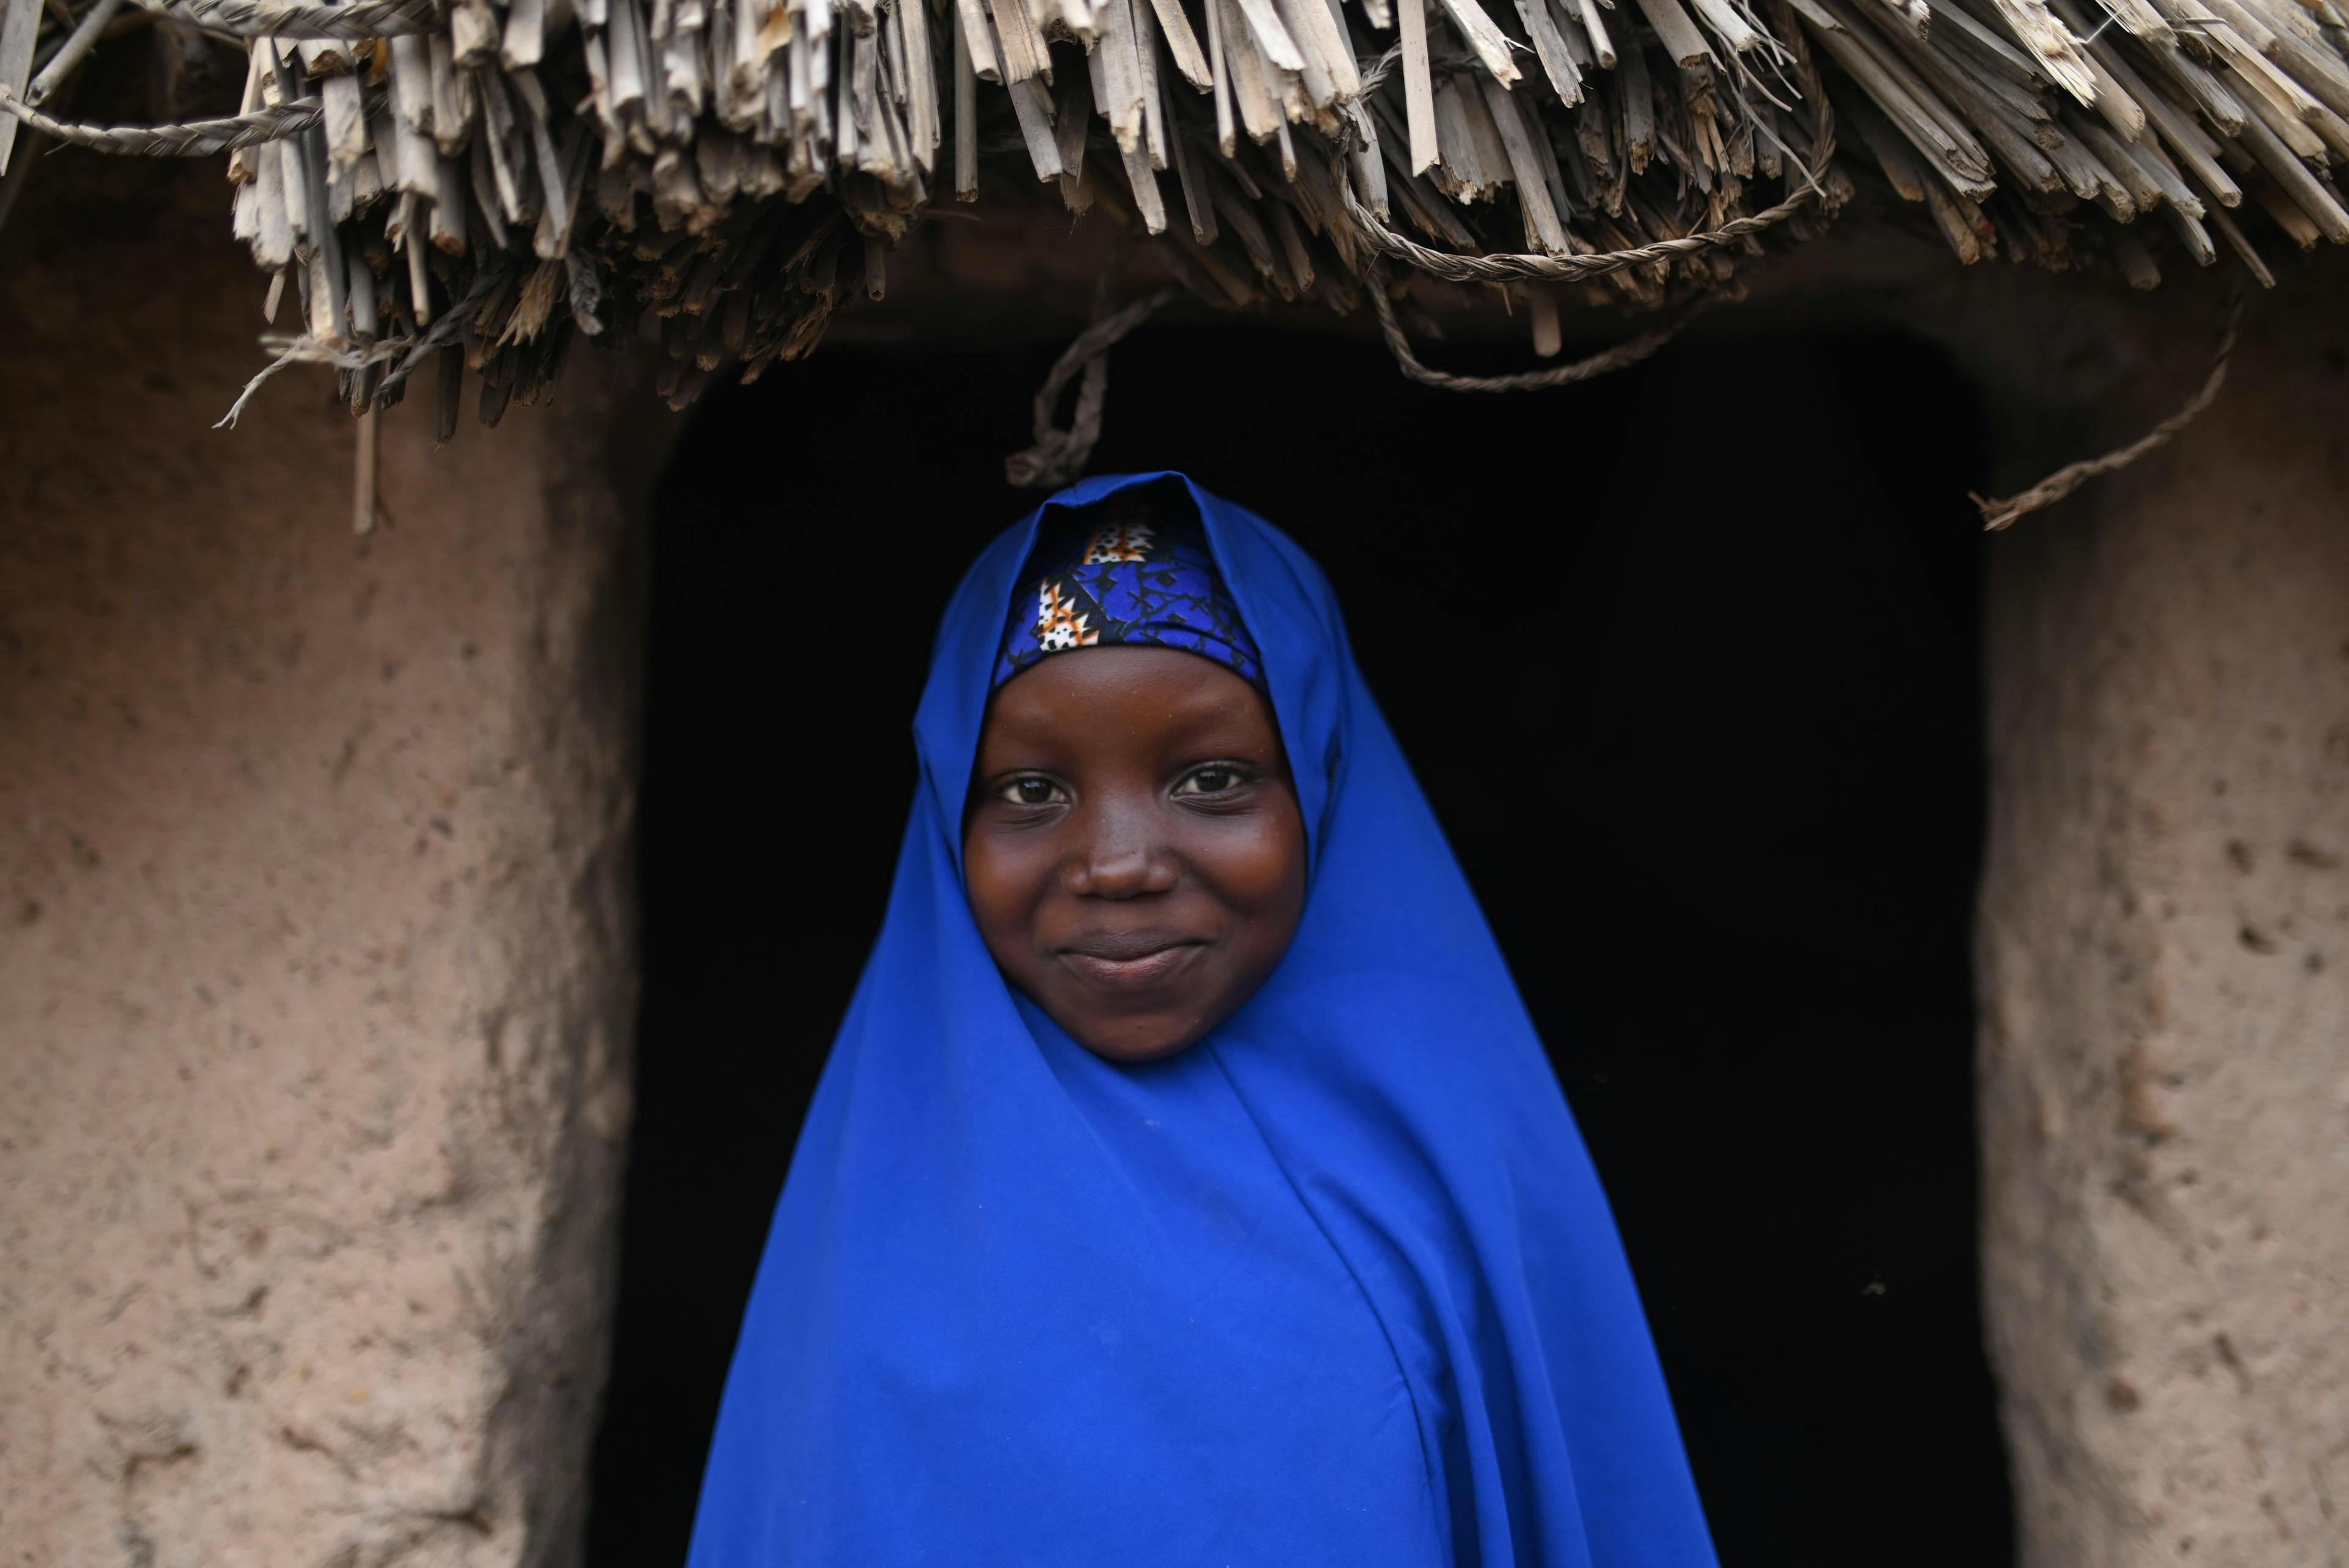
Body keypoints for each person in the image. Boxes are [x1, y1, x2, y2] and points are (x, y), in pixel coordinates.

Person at [687, 473, 1716, 1566]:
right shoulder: (869, 1231)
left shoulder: (1458, 1179)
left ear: (1321, 781)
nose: (1118, 865)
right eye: (1031, 792)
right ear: (949, 816)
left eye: (1213, 779)